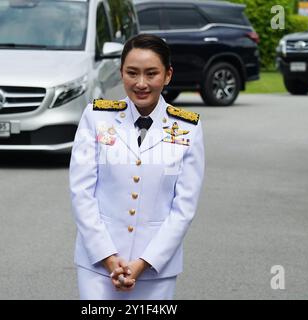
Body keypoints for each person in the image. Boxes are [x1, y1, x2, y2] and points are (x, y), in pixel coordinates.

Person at [69, 34, 205, 300]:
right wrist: (108, 257)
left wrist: (144, 262)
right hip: (98, 265)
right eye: (132, 73)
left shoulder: (188, 128)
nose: (141, 83)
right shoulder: (96, 117)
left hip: (156, 268)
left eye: (151, 73)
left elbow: (183, 209)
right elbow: (81, 193)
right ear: (121, 73)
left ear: (167, 75)